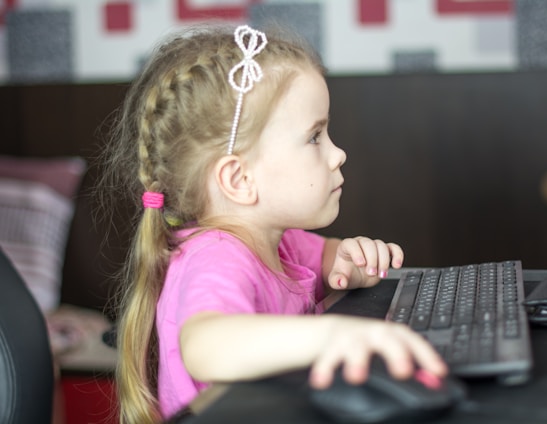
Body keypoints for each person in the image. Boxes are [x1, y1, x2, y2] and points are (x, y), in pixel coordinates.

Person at [99, 23, 447, 424]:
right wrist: (334, 334)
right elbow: (207, 345)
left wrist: (350, 259)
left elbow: (327, 259)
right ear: (239, 180)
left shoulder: (279, 242)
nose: (338, 154)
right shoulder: (216, 258)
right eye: (315, 137)